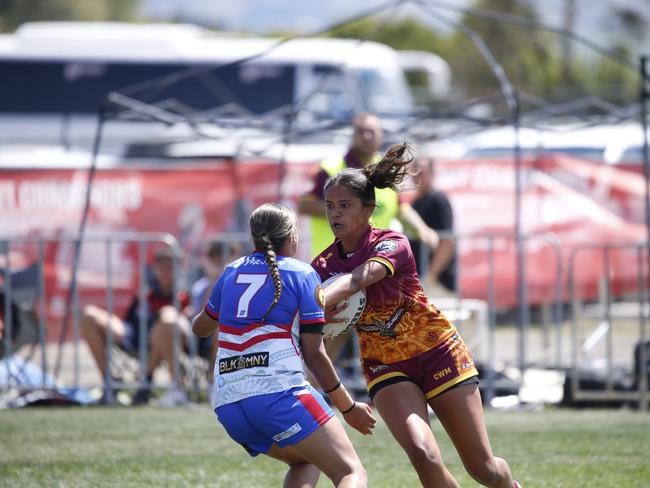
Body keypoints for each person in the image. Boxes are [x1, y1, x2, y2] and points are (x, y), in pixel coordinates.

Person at [312, 143, 521, 488]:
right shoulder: (321, 265)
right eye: (330, 206)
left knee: (484, 469)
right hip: (386, 363)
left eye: (345, 206)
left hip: (438, 350)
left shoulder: (392, 242)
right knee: (424, 454)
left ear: (368, 210)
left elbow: (359, 279)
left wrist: (315, 298)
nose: (335, 214)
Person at [192, 203, 375, 488]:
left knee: (305, 460)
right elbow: (315, 355)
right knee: (350, 472)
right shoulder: (301, 274)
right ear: (292, 238)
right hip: (279, 396)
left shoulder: (231, 272)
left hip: (228, 404)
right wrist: (348, 407)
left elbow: (200, 327)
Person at [299, 113, 439, 375]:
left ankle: (401, 382)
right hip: (335, 269)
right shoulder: (332, 167)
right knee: (330, 337)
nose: (366, 136)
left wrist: (422, 229)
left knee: (390, 329)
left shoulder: (381, 173)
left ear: (381, 136)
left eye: (371, 131)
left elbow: (401, 207)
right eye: (361, 131)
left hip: (377, 268)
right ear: (352, 135)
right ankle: (311, 395)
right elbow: (304, 204)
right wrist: (343, 208)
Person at [81, 247, 191, 406]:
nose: (166, 272)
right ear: (155, 268)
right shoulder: (145, 293)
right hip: (135, 335)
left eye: (170, 267)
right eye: (162, 267)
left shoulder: (185, 297)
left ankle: (146, 385)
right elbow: (128, 321)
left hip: (164, 342)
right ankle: (109, 382)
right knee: (88, 315)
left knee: (166, 324)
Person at [188, 240, 240, 378]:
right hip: (207, 334)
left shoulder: (242, 283)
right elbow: (202, 318)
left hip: (239, 332)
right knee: (221, 328)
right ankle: (214, 376)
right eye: (216, 260)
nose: (221, 265)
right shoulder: (201, 286)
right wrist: (217, 282)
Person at [407, 156, 457, 298]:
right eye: (414, 172)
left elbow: (447, 241)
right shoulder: (416, 202)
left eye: (421, 172)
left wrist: (431, 276)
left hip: (438, 282)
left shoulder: (438, 200)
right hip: (420, 279)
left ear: (432, 174)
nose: (417, 176)